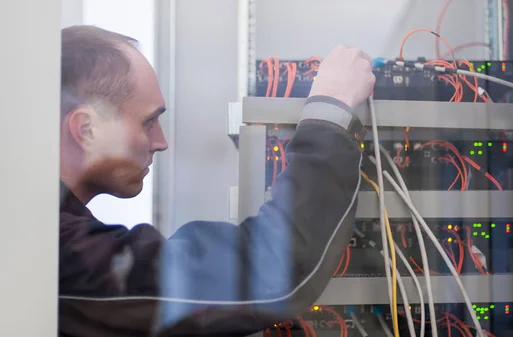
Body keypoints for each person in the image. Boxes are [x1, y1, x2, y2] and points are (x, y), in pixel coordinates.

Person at [59, 25, 375, 337]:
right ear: (86, 129)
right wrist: (332, 106)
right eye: (149, 121)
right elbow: (269, 268)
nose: (161, 141)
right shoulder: (57, 253)